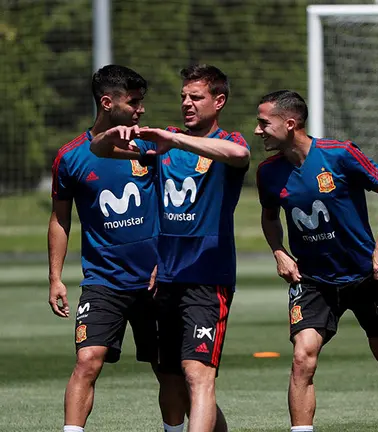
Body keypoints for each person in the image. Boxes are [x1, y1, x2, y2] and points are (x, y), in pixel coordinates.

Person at [254, 90, 378, 432]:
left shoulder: (339, 154)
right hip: (312, 282)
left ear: (290, 123)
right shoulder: (267, 172)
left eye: (264, 122)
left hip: (364, 276)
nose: (258, 130)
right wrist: (279, 251)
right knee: (302, 357)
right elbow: (269, 217)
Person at [91, 64, 250, 432]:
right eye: (183, 97)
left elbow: (239, 156)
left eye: (196, 97)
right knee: (173, 375)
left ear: (219, 100)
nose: (187, 103)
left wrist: (175, 140)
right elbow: (100, 149)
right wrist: (113, 133)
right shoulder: (162, 144)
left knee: (198, 375)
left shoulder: (226, 141)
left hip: (208, 280)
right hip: (166, 280)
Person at [48, 65, 185, 432]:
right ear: (108, 103)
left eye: (142, 102)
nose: (140, 110)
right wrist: (56, 278)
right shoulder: (70, 157)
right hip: (103, 280)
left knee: (169, 370)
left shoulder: (152, 145)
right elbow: (60, 220)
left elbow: (178, 205)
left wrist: (170, 260)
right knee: (87, 360)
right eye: (134, 102)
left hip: (156, 280)